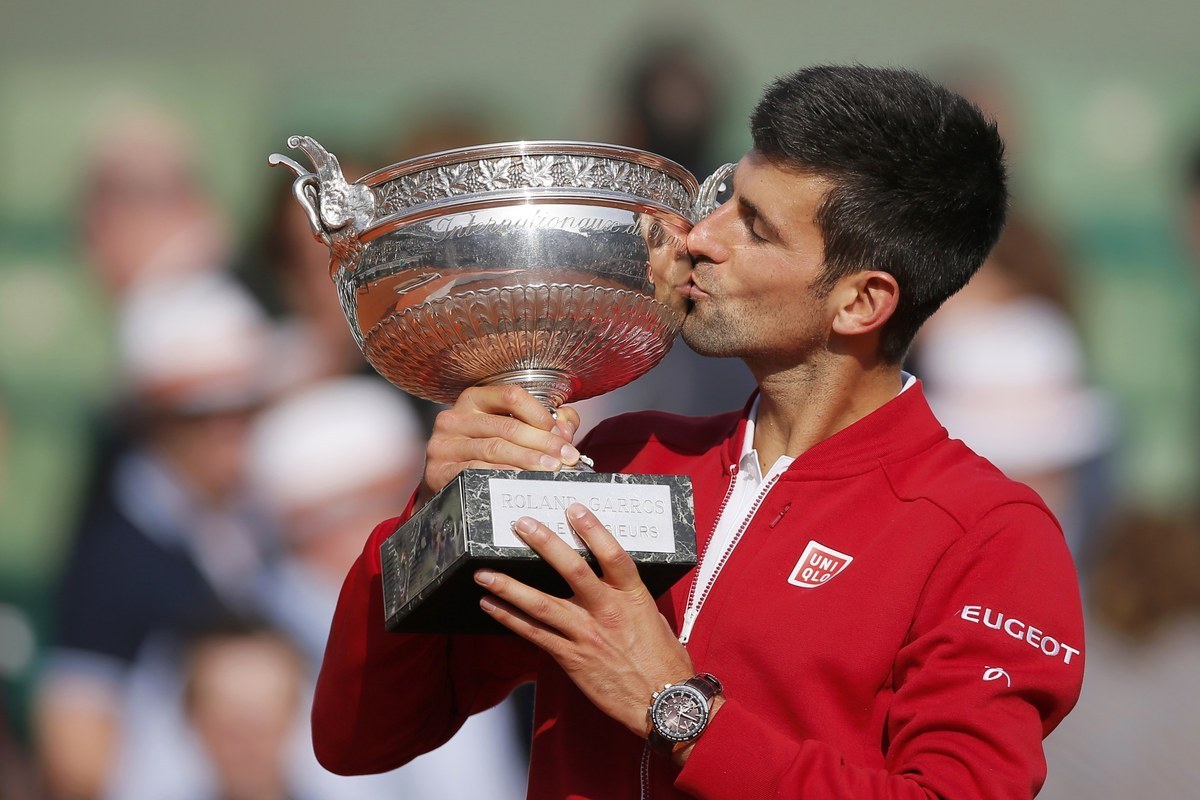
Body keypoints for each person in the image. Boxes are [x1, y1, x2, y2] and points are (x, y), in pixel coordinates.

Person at [310, 65, 1085, 799]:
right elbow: (360, 737)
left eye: (755, 227)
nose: (700, 237)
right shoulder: (617, 459)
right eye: (724, 198)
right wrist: (434, 513)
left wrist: (677, 710)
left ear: (861, 302)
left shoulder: (987, 535)